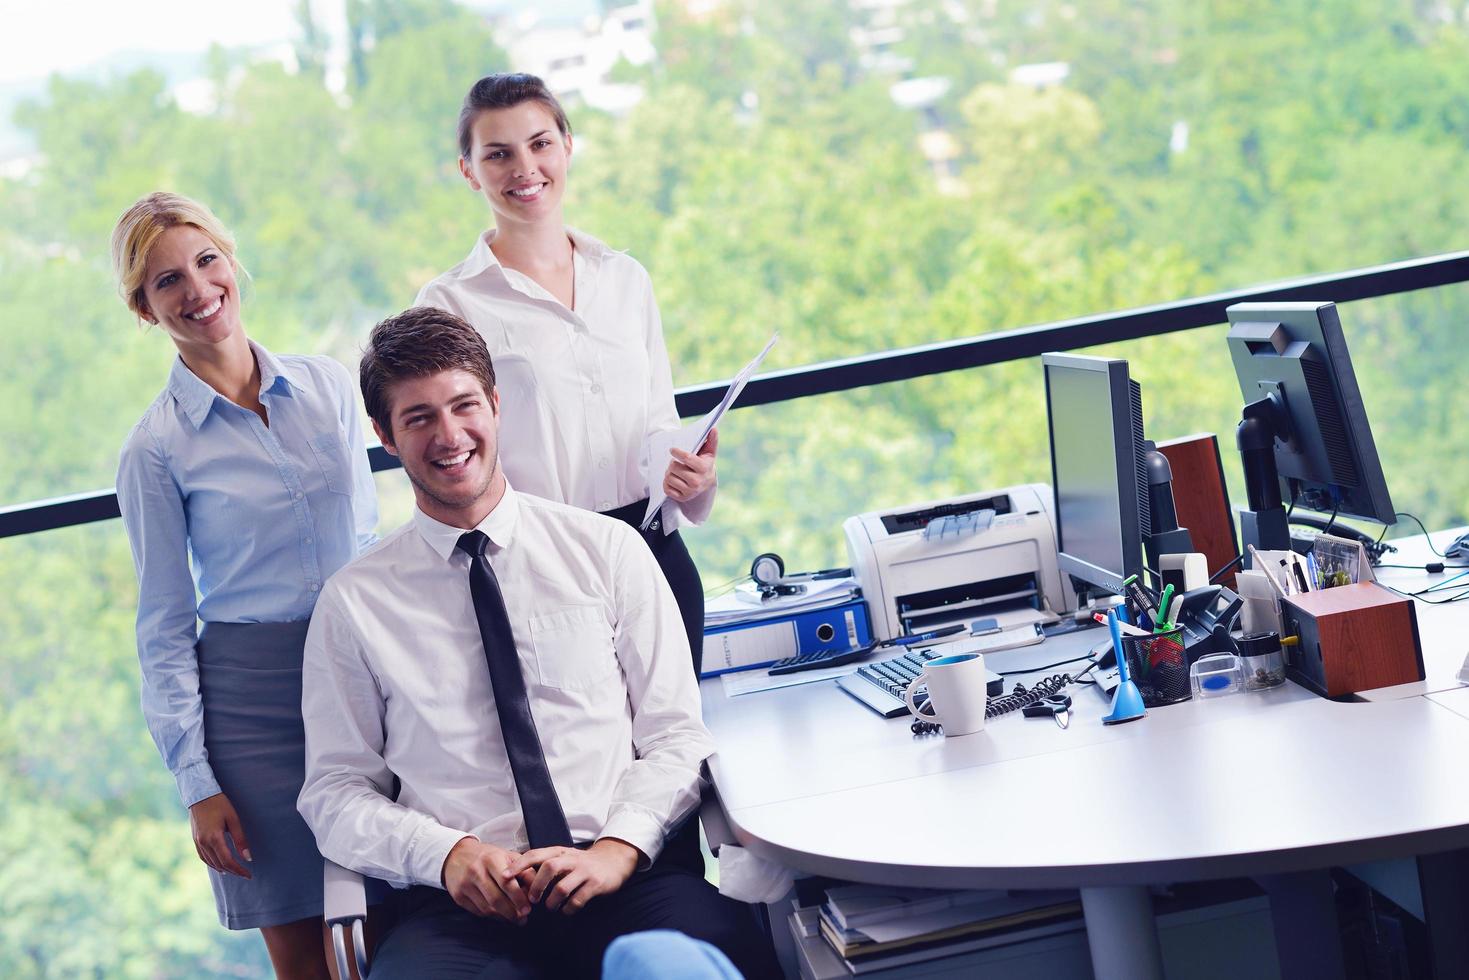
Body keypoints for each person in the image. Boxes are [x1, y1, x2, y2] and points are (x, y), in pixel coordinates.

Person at [296, 307, 777, 979]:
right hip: (457, 910)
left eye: (464, 405)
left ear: (495, 405)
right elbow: (335, 792)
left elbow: (674, 734)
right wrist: (447, 855)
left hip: (624, 879)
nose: (449, 434)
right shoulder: (353, 604)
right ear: (383, 435)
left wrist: (616, 848)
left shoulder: (608, 551)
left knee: (700, 958)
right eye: (418, 417)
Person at [112, 192, 378, 978]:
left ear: (232, 263)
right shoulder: (154, 450)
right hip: (253, 716)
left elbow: (363, 541)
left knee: (405, 914)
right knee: (303, 952)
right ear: (144, 308)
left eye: (205, 261)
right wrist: (197, 783)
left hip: (363, 675)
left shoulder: (328, 386)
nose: (196, 290)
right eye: (166, 282)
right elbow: (163, 623)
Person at [415, 72, 716, 680]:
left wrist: (697, 479)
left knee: (684, 761)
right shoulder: (451, 305)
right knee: (583, 765)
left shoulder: (626, 278)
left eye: (540, 143)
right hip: (544, 571)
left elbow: (659, 424)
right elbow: (447, 460)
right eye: (497, 154)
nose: (524, 167)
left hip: (657, 552)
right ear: (469, 171)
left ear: (567, 146)